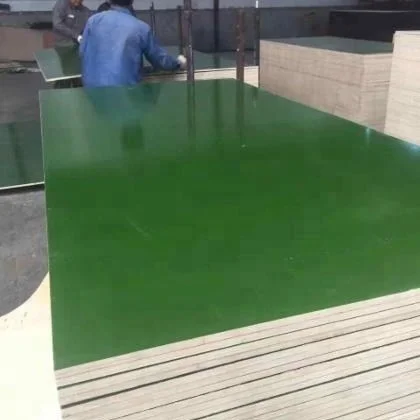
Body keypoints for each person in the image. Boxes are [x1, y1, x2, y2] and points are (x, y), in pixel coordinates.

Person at [79, 0, 186, 88]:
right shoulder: (141, 28)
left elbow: (82, 51)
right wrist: (178, 63)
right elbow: (161, 61)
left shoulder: (92, 21)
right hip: (127, 93)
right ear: (132, 1)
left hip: (92, 92)